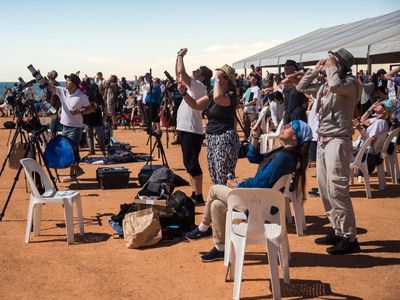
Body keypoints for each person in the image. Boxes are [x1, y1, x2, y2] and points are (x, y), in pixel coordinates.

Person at [185, 119, 312, 262]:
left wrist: (238, 185)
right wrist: (255, 138)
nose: (285, 126)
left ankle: (203, 228)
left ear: (295, 136)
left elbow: (262, 182)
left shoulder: (285, 157)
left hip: (257, 201)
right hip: (260, 199)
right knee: (217, 206)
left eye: (290, 126)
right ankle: (220, 248)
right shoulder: (284, 153)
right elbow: (253, 157)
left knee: (214, 190)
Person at [297, 48, 362, 255]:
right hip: (324, 140)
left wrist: (331, 67)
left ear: (340, 65)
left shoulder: (351, 84)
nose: (326, 63)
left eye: (331, 61)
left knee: (337, 189)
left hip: (338, 140)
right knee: (325, 188)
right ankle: (337, 229)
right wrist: (315, 70)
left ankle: (349, 237)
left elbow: (335, 85)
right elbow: (301, 87)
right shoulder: (325, 84)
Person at [177, 64, 241, 185]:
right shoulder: (213, 93)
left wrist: (216, 80)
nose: (218, 78)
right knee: (214, 173)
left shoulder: (231, 95)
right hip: (211, 137)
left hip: (225, 137)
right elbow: (196, 105)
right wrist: (184, 93)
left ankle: (227, 201)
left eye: (221, 76)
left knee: (224, 174)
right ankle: (220, 202)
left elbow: (218, 98)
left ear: (227, 79)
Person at [175, 47, 212, 205]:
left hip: (192, 130)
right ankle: (194, 193)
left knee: (191, 163)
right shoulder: (194, 85)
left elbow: (181, 74)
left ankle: (199, 196)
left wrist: (181, 56)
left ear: (201, 76)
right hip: (186, 129)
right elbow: (178, 74)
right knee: (188, 163)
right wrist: (178, 57)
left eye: (197, 70)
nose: (194, 71)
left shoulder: (198, 85)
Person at [48, 73, 91, 182]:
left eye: (68, 81)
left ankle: (72, 174)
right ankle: (78, 169)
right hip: (64, 125)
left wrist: (79, 111)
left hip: (75, 127)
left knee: (70, 150)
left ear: (75, 84)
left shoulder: (82, 96)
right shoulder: (63, 91)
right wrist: (40, 78)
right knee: (68, 149)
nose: (66, 82)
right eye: (66, 81)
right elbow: (50, 87)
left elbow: (90, 109)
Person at [241, 72, 262, 139]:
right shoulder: (248, 89)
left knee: (254, 128)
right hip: (246, 111)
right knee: (245, 128)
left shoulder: (257, 89)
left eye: (252, 76)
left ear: (255, 80)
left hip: (252, 112)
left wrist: (244, 105)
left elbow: (254, 101)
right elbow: (242, 99)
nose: (249, 77)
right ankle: (246, 141)